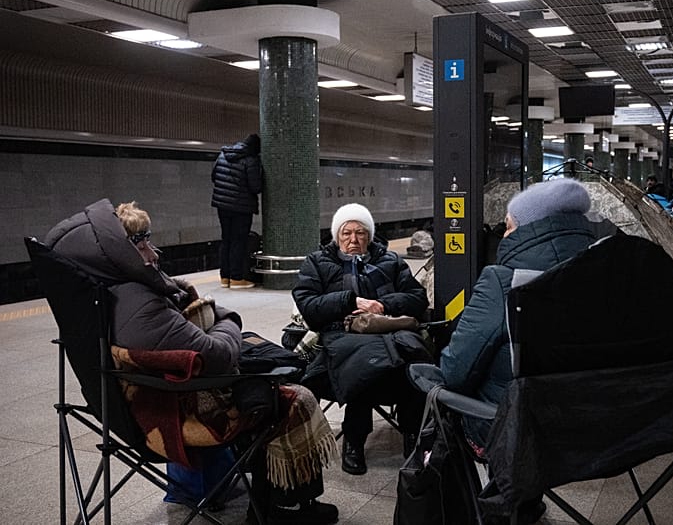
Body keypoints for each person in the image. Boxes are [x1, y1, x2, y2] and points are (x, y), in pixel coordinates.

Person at [44, 199, 338, 525]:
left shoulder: (109, 296)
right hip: (174, 414)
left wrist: (218, 324)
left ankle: (260, 493)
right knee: (288, 395)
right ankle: (283, 509)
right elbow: (219, 354)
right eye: (141, 243)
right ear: (117, 253)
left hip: (143, 402)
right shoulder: (140, 307)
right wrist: (227, 321)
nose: (153, 253)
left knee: (264, 364)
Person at [439, 179, 619, 453]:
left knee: (443, 407)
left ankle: (492, 495)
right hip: (595, 428)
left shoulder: (504, 282)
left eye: (509, 226)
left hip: (516, 429)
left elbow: (455, 373)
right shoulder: (608, 276)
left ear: (530, 229)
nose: (504, 235)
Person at [292, 203, 430, 475]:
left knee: (413, 358)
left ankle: (413, 437)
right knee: (365, 361)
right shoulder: (318, 262)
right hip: (340, 336)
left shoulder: (390, 261)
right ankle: (354, 439)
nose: (353, 240)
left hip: (389, 332)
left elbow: (417, 298)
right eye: (346, 233)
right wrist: (349, 301)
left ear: (370, 236)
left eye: (360, 233)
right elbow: (308, 305)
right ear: (336, 235)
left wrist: (382, 304)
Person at [211, 133, 263, 289]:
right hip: (241, 207)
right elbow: (256, 186)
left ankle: (224, 277)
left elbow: (214, 176)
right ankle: (237, 278)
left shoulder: (223, 155)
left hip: (222, 205)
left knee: (226, 239)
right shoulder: (251, 160)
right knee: (238, 241)